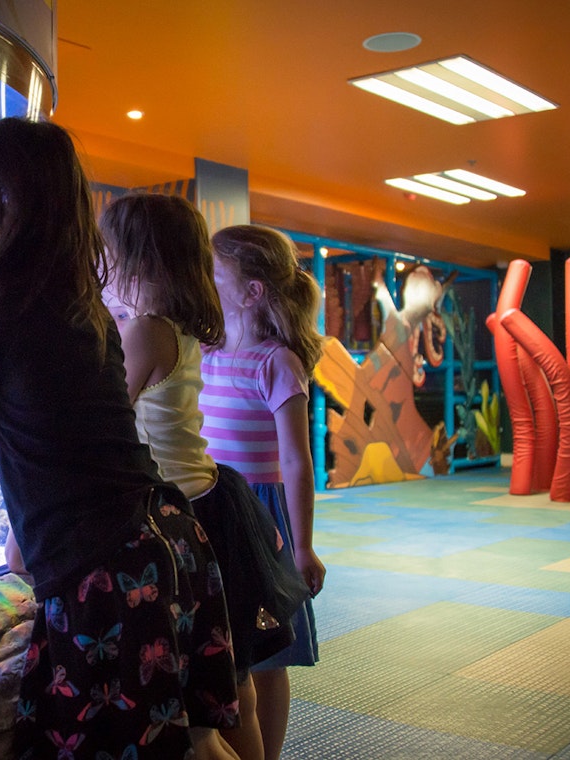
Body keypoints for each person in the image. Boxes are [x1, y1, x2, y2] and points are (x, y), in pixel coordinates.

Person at [0, 117, 241, 760]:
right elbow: (81, 443)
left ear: (8, 207)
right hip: (172, 541)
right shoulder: (91, 312)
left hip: (103, 574)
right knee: (194, 744)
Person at [97, 194, 311, 760]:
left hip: (182, 512)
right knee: (230, 667)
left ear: (135, 262)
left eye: (106, 253)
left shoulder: (146, 330)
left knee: (210, 685)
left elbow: (105, 411)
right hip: (208, 501)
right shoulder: (174, 327)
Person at [198, 224, 327, 760]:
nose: (203, 279)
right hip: (215, 510)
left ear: (252, 291)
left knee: (270, 653)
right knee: (226, 645)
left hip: (264, 516)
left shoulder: (277, 362)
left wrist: (303, 547)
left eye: (214, 271)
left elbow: (297, 462)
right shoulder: (203, 351)